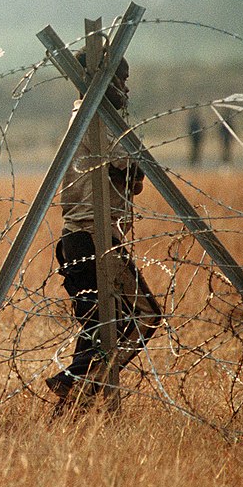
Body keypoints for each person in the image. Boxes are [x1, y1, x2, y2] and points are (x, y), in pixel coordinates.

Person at [44, 51, 161, 408]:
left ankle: (75, 395)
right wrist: (132, 167)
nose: (125, 87)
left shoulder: (83, 115)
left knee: (99, 322)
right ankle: (76, 380)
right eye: (117, 79)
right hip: (94, 236)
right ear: (94, 81)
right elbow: (131, 174)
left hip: (78, 237)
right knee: (143, 316)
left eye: (125, 79)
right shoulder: (100, 117)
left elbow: (130, 179)